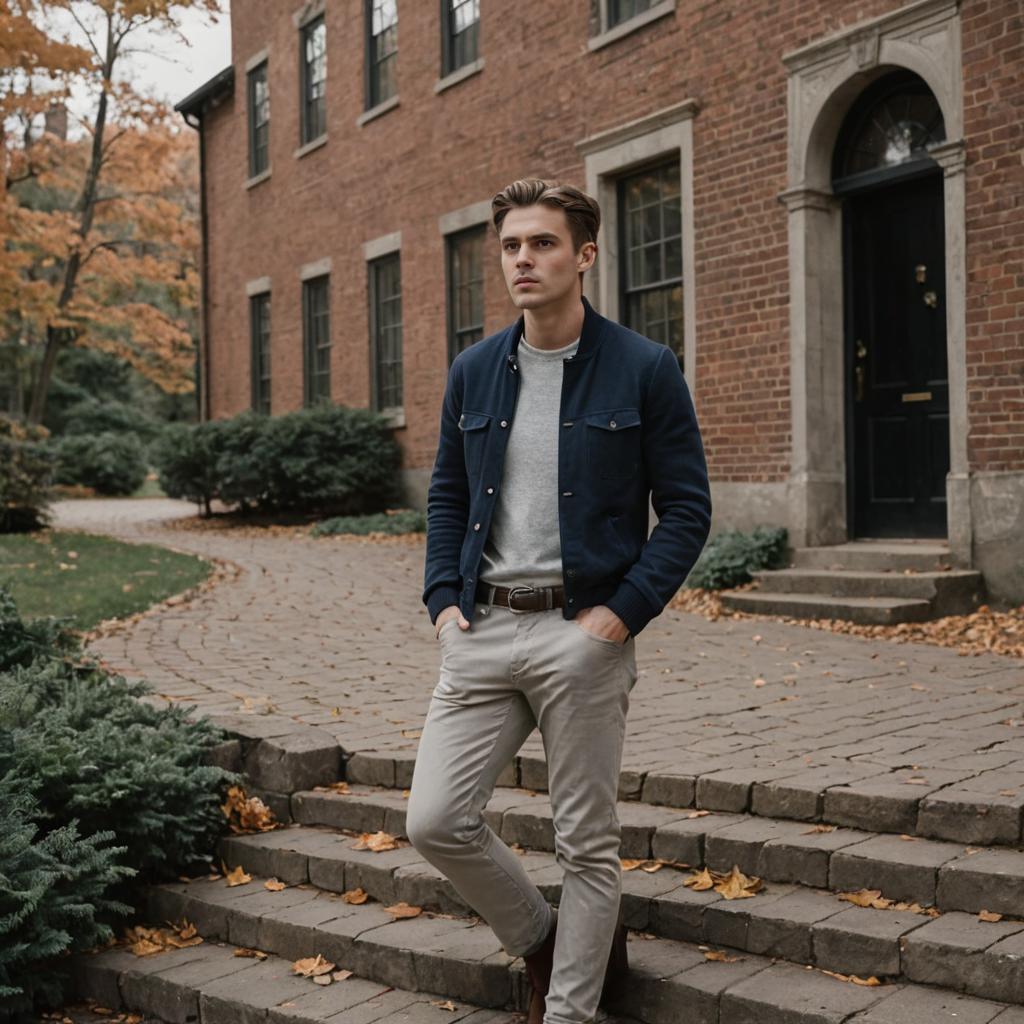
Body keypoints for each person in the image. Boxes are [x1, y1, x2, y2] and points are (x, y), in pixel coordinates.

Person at [407, 178, 711, 1024]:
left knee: (587, 842)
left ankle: (570, 1011)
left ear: (584, 254)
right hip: (482, 627)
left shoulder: (644, 368)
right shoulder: (474, 372)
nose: (522, 260)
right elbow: (445, 494)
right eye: (510, 246)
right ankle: (548, 938)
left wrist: (622, 614)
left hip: (582, 635)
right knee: (435, 820)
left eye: (541, 244)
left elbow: (687, 507)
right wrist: (441, 600)